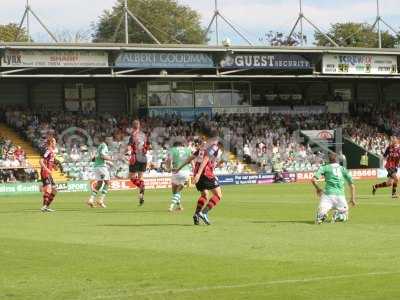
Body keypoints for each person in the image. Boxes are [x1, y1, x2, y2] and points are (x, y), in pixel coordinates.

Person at [175, 128, 222, 225]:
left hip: (198, 173)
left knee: (204, 195)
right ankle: (204, 213)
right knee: (218, 195)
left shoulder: (203, 146)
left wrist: (179, 168)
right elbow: (206, 159)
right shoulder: (214, 147)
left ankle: (196, 214)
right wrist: (199, 174)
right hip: (204, 173)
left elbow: (190, 158)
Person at [311, 152, 356, 224]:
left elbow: (313, 180)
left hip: (327, 195)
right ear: (337, 160)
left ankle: (321, 215)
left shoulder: (325, 167)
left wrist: (318, 189)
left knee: (321, 212)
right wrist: (352, 199)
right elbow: (352, 185)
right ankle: (338, 215)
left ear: (329, 160)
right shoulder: (343, 169)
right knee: (344, 216)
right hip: (340, 196)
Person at [127, 120, 150, 206]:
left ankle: (141, 185)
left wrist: (129, 153)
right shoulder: (144, 135)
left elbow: (129, 146)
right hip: (143, 158)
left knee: (131, 177)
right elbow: (148, 146)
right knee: (141, 177)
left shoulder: (133, 135)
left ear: (133, 126)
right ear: (139, 126)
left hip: (135, 157)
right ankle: (141, 195)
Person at [166, 140, 192, 212]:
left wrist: (169, 168)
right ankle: (179, 206)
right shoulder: (187, 149)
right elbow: (191, 160)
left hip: (176, 171)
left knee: (175, 191)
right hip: (186, 171)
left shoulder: (172, 150)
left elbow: (169, 160)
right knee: (177, 191)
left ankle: (171, 206)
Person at [87, 136, 113, 208]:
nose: (111, 141)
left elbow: (94, 159)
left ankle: (91, 200)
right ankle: (101, 200)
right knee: (107, 182)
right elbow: (102, 156)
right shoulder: (104, 146)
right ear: (106, 140)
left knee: (99, 184)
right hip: (101, 167)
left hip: (96, 167)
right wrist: (110, 159)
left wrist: (107, 162)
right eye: (110, 139)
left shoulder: (99, 147)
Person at [40, 137, 58, 212]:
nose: (55, 143)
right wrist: (46, 169)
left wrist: (54, 166)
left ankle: (46, 206)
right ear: (50, 143)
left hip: (49, 173)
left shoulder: (53, 152)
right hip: (45, 172)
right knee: (49, 188)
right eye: (54, 142)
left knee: (54, 190)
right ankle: (44, 206)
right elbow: (40, 161)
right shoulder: (48, 150)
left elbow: (50, 162)